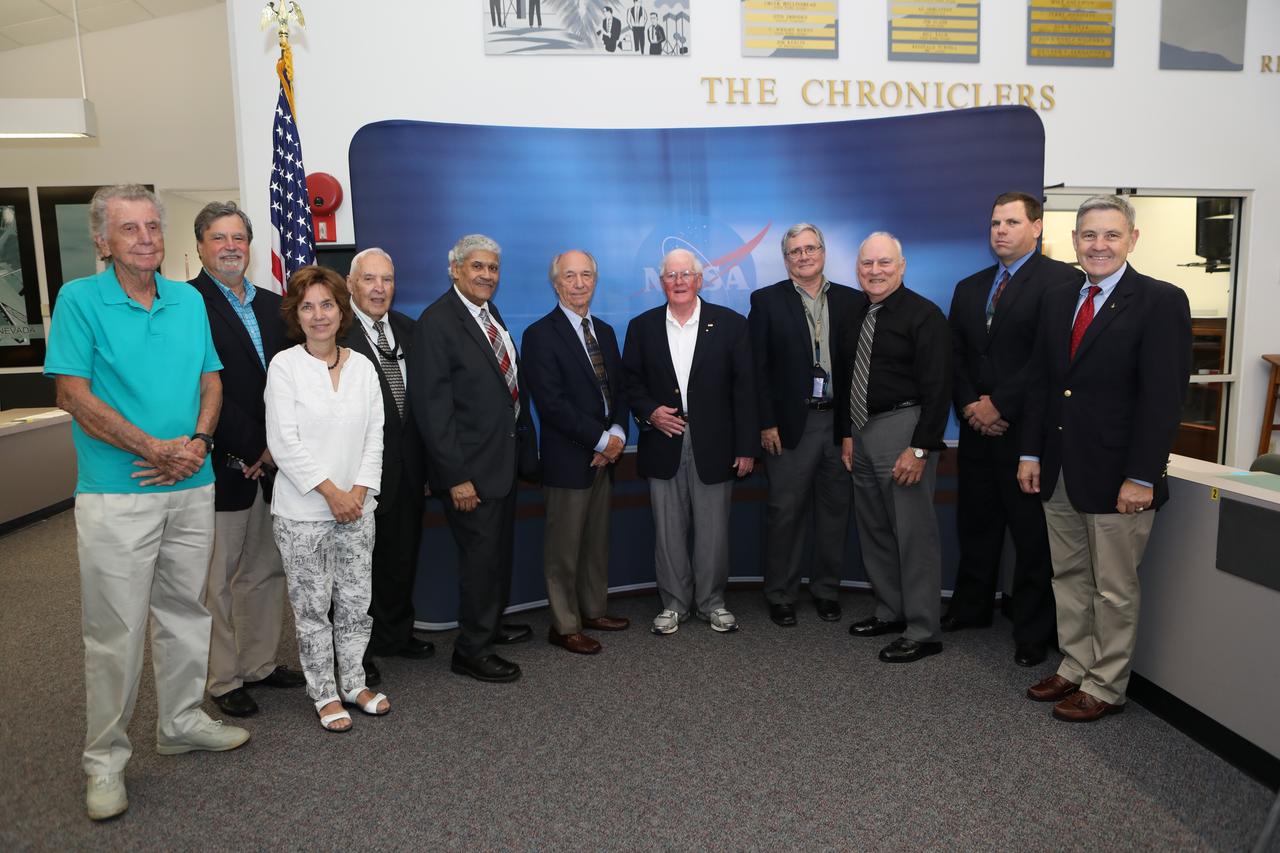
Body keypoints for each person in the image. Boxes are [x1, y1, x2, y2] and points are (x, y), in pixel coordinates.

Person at [44, 184, 249, 822]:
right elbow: (72, 395)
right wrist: (152, 449)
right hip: (117, 494)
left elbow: (210, 380)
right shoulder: (80, 300)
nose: (145, 240)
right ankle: (104, 762)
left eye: (153, 227)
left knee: (187, 610)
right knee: (116, 633)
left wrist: (197, 442)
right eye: (129, 229)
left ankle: (182, 720)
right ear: (103, 240)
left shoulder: (188, 299)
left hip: (192, 484)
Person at [1018, 195, 1191, 722]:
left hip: (1120, 476)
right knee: (1068, 575)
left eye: (1111, 235)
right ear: (1073, 242)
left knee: (1114, 588)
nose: (1099, 245)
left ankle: (1106, 684)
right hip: (1060, 469)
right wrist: (1030, 452)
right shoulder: (1058, 298)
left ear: (1132, 239)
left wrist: (1142, 474)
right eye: (1089, 235)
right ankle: (1074, 666)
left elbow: (1163, 397)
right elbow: (1044, 385)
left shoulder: (1160, 300)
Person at [943, 191, 1081, 667]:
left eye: (1012, 222)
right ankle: (972, 608)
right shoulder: (969, 287)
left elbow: (1050, 358)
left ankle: (1031, 631)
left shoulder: (1064, 281)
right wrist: (969, 405)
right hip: (978, 432)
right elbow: (956, 355)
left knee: (1031, 538)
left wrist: (999, 404)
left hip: (1028, 434)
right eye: (995, 223)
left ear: (1037, 227)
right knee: (976, 526)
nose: (1001, 231)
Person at [189, 201, 304, 719]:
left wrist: (276, 447)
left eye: (239, 237)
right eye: (219, 237)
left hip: (273, 468)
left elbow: (291, 382)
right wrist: (253, 445)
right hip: (223, 464)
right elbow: (200, 387)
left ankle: (258, 665)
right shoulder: (185, 304)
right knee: (216, 581)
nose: (231, 246)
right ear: (200, 246)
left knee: (265, 570)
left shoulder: (276, 305)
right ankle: (224, 677)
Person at [410, 234, 540, 683]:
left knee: (494, 557)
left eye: (493, 268)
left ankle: (489, 626)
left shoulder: (488, 314)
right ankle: (471, 650)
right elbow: (432, 410)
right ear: (455, 270)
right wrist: (456, 477)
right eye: (477, 267)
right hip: (470, 473)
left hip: (500, 463)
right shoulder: (436, 322)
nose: (487, 275)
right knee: (480, 561)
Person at [265, 265, 389, 733]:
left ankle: (354, 682)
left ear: (342, 310)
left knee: (357, 603)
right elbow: (284, 443)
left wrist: (358, 492)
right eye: (308, 307)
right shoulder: (285, 366)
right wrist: (332, 493)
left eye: (328, 305)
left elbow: (375, 436)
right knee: (313, 608)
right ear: (297, 315)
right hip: (303, 514)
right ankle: (323, 692)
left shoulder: (361, 366)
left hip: (360, 509)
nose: (319, 315)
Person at [622, 249, 757, 635]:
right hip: (663, 439)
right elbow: (630, 383)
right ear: (660, 281)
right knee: (667, 531)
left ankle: (712, 603)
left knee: (714, 531)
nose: (679, 281)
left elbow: (745, 390)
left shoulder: (731, 325)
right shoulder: (642, 327)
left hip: (716, 443)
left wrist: (746, 446)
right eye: (671, 275)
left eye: (686, 274)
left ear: (701, 280)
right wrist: (650, 412)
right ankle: (674, 605)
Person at [835, 232, 951, 663]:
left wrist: (920, 449)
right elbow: (848, 380)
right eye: (867, 264)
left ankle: (923, 629)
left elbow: (940, 388)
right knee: (876, 530)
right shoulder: (856, 316)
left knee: (913, 534)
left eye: (884, 263)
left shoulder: (924, 316)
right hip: (862, 433)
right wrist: (846, 434)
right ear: (857, 268)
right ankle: (891, 611)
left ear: (901, 266)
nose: (875, 271)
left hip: (905, 430)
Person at [522, 250, 631, 655]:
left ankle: (592, 609)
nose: (580, 283)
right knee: (564, 549)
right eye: (571, 276)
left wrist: (617, 433)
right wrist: (602, 442)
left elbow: (618, 391)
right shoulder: (539, 334)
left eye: (587, 275)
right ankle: (564, 625)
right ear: (556, 283)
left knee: (595, 542)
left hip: (605, 456)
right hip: (569, 457)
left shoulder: (603, 329)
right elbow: (551, 404)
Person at [749, 223, 857, 628]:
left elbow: (856, 371)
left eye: (811, 248)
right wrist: (766, 422)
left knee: (834, 512)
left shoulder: (851, 301)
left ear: (824, 252)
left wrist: (851, 431)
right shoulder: (766, 301)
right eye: (795, 251)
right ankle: (780, 594)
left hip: (836, 423)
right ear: (786, 258)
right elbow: (757, 369)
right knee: (785, 513)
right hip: (790, 426)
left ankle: (826, 590)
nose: (804, 256)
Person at [340, 248, 431, 685]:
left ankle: (396, 633)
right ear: (351, 284)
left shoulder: (412, 331)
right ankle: (359, 649)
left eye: (387, 280)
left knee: (401, 556)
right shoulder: (335, 334)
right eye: (370, 280)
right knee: (357, 568)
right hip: (358, 475)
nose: (379, 288)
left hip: (409, 468)